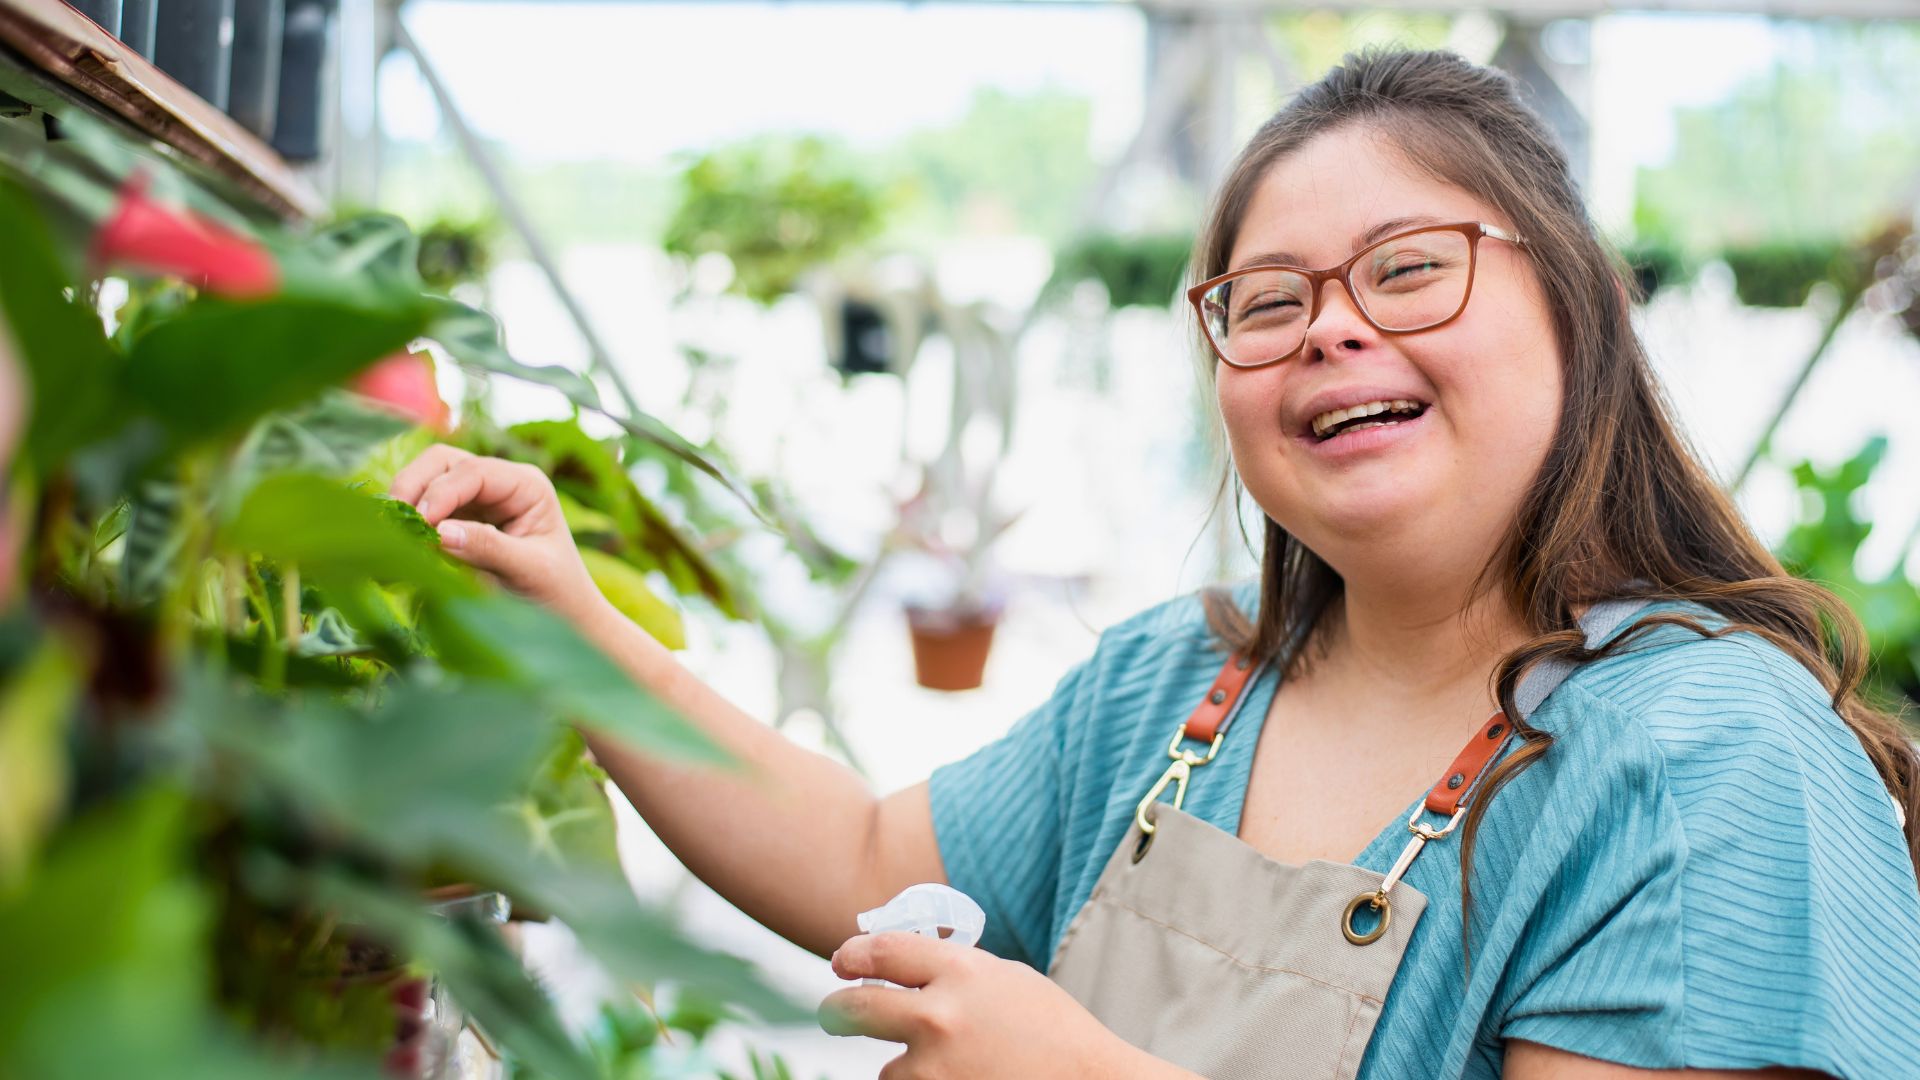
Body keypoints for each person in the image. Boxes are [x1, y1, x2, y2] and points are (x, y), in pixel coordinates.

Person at [389, 49, 1920, 1080]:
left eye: (1405, 268)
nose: (1331, 324)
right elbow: (862, 856)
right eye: (1266, 300)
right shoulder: (1181, 688)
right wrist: (568, 620)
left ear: (1579, 312)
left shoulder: (1706, 761)